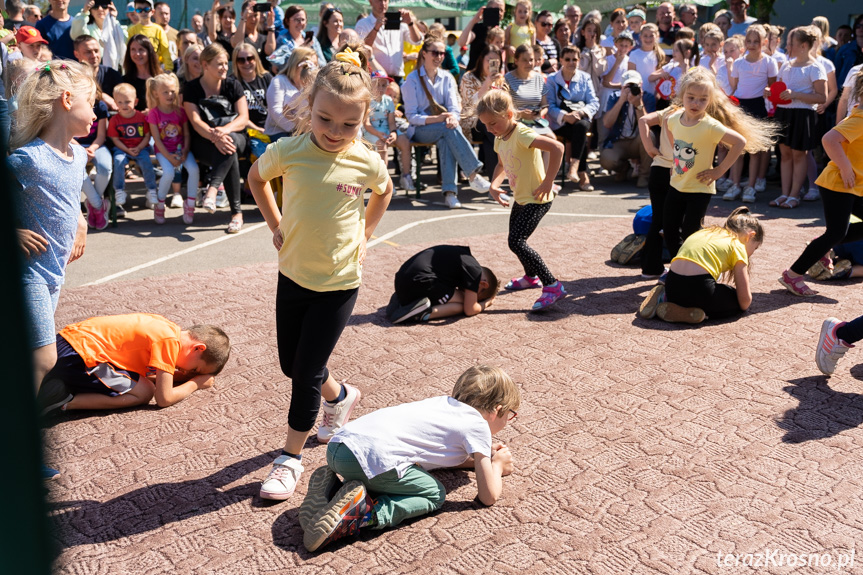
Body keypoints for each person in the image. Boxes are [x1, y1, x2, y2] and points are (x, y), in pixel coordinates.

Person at [246, 51, 393, 501]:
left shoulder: (366, 161)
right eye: (325, 119)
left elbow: (383, 191)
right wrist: (275, 224)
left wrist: (366, 231)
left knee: (304, 372)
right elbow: (256, 178)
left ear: (365, 119)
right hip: (292, 275)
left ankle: (289, 459)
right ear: (308, 106)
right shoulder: (288, 151)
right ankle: (340, 396)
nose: (334, 132)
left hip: (340, 281)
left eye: (348, 125)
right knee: (293, 365)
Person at [298, 365, 519, 551]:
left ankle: (332, 492)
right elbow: (487, 496)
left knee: (394, 473)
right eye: (510, 415)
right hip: (371, 457)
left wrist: (480, 457)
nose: (508, 421)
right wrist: (496, 467)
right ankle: (364, 514)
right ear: (496, 410)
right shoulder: (478, 424)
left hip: (340, 448)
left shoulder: (442, 405)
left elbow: (440, 458)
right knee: (433, 493)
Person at [10, 60, 93, 392]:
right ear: (68, 100)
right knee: (43, 357)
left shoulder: (79, 155)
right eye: (92, 103)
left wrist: (82, 223)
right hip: (27, 273)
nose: (96, 112)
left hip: (54, 272)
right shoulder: (29, 160)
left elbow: (72, 196)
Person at [662, 68, 774, 262]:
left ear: (710, 100)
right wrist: (674, 160)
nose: (696, 103)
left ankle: (691, 267)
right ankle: (676, 265)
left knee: (691, 232)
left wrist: (720, 170)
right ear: (682, 95)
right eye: (691, 97)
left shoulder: (710, 125)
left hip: (699, 189)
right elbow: (671, 133)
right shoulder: (672, 119)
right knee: (669, 228)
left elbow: (739, 142)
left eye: (702, 99)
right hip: (676, 185)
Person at [479, 89, 567, 311]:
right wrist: (494, 185)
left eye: (493, 123)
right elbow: (501, 164)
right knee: (515, 240)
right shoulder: (501, 137)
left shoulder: (522, 134)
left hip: (538, 198)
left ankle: (552, 285)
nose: (489, 130)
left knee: (516, 241)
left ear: (509, 114)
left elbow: (558, 147)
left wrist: (549, 181)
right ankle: (531, 277)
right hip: (522, 197)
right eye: (486, 126)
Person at [35, 314, 230, 413]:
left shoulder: (167, 327)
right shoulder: (169, 342)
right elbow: (164, 398)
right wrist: (195, 383)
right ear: (198, 348)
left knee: (140, 381)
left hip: (69, 346)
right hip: (82, 357)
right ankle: (62, 400)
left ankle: (55, 385)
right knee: (143, 391)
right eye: (194, 369)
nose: (185, 371)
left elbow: (153, 376)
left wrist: (187, 376)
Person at [778, 73, 863, 297]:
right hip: (839, 183)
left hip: (853, 185)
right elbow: (829, 139)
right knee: (835, 232)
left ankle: (823, 246)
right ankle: (793, 275)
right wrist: (845, 167)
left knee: (836, 234)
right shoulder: (861, 118)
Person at [403, 36, 491, 209]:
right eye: (435, 52)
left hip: (444, 128)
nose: (439, 56)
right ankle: (472, 174)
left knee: (447, 136)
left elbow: (454, 107)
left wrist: (452, 117)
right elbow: (412, 117)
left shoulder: (447, 77)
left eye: (442, 53)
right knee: (448, 129)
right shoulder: (411, 80)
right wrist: (440, 119)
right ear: (424, 54)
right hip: (420, 129)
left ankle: (450, 194)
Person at [639, 207, 763, 324]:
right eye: (755, 248)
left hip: (672, 284)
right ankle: (700, 313)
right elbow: (745, 301)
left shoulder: (706, 232)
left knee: (701, 292)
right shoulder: (738, 246)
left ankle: (665, 298)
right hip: (701, 289)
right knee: (736, 302)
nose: (752, 253)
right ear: (750, 235)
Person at [183, 43, 249, 233]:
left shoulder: (232, 84)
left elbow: (243, 118)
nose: (225, 67)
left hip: (235, 135)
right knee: (229, 151)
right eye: (219, 64)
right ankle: (237, 214)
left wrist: (224, 131)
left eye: (226, 63)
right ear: (205, 64)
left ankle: (212, 190)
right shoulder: (191, 88)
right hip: (204, 141)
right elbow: (195, 121)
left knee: (231, 144)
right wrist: (215, 136)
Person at [769, 27, 827, 209]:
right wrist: (770, 93)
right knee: (785, 155)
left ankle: (795, 195)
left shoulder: (816, 67)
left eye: (791, 44)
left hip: (803, 115)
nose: (787, 47)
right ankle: (785, 194)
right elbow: (781, 91)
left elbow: (821, 97)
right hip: (784, 113)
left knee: (798, 155)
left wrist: (796, 95)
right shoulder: (786, 65)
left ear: (803, 46)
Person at [723, 24, 777, 203]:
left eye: (756, 41)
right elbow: (737, 86)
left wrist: (769, 89)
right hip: (740, 106)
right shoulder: (738, 63)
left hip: (758, 106)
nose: (752, 44)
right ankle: (735, 184)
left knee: (754, 151)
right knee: (737, 148)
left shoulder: (769, 62)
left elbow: (772, 85)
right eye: (749, 41)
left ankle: (750, 187)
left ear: (765, 42)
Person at [385, 246, 498, 323]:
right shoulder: (475, 272)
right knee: (463, 305)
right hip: (421, 281)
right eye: (477, 297)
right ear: (483, 284)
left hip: (402, 280)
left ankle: (404, 301)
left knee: (460, 302)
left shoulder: (465, 258)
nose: (472, 297)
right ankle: (421, 313)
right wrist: (486, 303)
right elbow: (470, 310)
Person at [147, 73, 198, 224]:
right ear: (156, 93)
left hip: (181, 151)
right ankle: (160, 204)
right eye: (165, 92)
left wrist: (185, 152)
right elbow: (156, 139)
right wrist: (169, 158)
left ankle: (190, 204)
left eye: (172, 91)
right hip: (164, 152)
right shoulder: (154, 114)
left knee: (194, 169)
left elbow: (187, 134)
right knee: (168, 173)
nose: (170, 95)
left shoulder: (180, 111)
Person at [547, 45, 598, 188]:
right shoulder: (552, 79)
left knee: (581, 127)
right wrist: (564, 116)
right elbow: (549, 105)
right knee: (579, 132)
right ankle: (581, 172)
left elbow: (594, 102)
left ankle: (574, 167)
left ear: (579, 60)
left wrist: (580, 113)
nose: (571, 62)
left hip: (580, 119)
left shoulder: (585, 78)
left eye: (574, 59)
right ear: (561, 60)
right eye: (567, 59)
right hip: (560, 124)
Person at [637, 101, 677, 279]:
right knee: (675, 223)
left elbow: (643, 120)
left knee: (658, 220)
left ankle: (650, 267)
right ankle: (681, 270)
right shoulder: (689, 114)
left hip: (658, 168)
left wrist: (649, 147)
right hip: (675, 171)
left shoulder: (670, 111)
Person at [108, 82, 158, 214]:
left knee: (146, 162)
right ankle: (119, 190)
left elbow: (147, 135)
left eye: (127, 101)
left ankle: (151, 190)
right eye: (120, 102)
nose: (124, 105)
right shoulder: (114, 120)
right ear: (115, 103)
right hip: (122, 149)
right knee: (118, 161)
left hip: (141, 148)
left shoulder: (142, 117)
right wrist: (127, 150)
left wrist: (139, 147)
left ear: (135, 102)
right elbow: (115, 139)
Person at [459, 45, 505, 182]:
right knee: (491, 130)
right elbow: (469, 106)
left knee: (490, 140)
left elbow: (505, 103)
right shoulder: (469, 77)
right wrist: (486, 84)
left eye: (496, 62)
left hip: (491, 125)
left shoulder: (501, 80)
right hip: (471, 122)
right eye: (489, 60)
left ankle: (494, 183)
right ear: (481, 60)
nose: (492, 64)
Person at [75, 66, 113, 230]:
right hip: (74, 146)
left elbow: (101, 135)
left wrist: (92, 148)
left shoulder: (101, 106)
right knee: (78, 170)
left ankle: (92, 204)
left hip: (97, 145)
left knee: (105, 168)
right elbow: (67, 135)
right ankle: (98, 205)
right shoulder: (69, 104)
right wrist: (82, 150)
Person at [600, 70, 651, 188]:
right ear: (622, 86)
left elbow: (648, 125)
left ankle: (644, 175)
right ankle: (624, 169)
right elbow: (607, 123)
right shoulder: (614, 97)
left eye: (635, 86)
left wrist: (638, 103)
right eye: (628, 86)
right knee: (606, 159)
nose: (631, 89)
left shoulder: (648, 98)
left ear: (641, 85)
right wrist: (621, 100)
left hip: (638, 141)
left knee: (650, 136)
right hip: (619, 141)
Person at [364, 70, 413, 192]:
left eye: (383, 85)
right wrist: (379, 134)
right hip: (372, 131)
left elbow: (391, 122)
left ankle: (406, 176)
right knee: (382, 146)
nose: (380, 88)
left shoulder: (388, 101)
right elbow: (367, 124)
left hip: (386, 131)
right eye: (377, 85)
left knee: (405, 142)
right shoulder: (367, 101)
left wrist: (394, 133)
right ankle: (384, 181)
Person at [354, 0, 421, 83]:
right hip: (374, 78)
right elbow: (362, 49)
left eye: (385, 0)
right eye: (379, 0)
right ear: (371, 2)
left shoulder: (398, 21)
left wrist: (410, 23)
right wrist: (375, 29)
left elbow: (417, 41)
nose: (383, 4)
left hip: (397, 79)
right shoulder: (363, 24)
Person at [264, 45, 314, 139]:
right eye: (307, 65)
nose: (310, 68)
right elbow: (275, 111)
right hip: (280, 132)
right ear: (296, 64)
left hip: (306, 131)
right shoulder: (278, 81)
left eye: (314, 65)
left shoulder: (311, 85)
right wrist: (299, 128)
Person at [505, 44, 553, 139]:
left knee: (553, 142)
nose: (529, 63)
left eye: (531, 60)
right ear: (516, 61)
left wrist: (538, 114)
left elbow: (545, 106)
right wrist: (520, 114)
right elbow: (504, 108)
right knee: (534, 140)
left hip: (536, 123)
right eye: (524, 60)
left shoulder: (539, 78)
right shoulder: (508, 78)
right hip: (516, 123)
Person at [70, 0, 127, 70]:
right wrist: (84, 12)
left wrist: (113, 19)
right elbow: (76, 35)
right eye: (95, 6)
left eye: (104, 6)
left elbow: (123, 40)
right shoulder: (86, 28)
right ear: (90, 10)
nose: (100, 9)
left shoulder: (117, 27)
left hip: (116, 70)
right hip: (92, 70)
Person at [231, 42, 271, 133]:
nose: (246, 63)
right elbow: (236, 115)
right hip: (245, 131)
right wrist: (258, 129)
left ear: (256, 59)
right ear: (235, 62)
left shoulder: (266, 77)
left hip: (269, 128)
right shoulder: (232, 82)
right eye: (241, 60)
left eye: (250, 58)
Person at [458, 0, 505, 73]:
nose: (498, 13)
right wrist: (473, 21)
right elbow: (461, 43)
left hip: (492, 76)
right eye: (495, 9)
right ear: (487, 10)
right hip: (474, 75)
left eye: (501, 10)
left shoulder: (502, 32)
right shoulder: (477, 28)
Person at [628, 23, 663, 114]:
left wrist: (657, 94)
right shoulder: (634, 54)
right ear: (640, 37)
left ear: (657, 36)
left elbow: (660, 77)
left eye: (651, 36)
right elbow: (631, 75)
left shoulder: (660, 55)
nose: (648, 39)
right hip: (638, 96)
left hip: (654, 96)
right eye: (645, 36)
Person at [128, 0, 172, 71]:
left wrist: (168, 69)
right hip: (137, 69)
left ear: (152, 12)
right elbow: (129, 51)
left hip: (155, 68)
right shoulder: (132, 30)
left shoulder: (158, 29)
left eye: (146, 9)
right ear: (136, 12)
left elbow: (165, 52)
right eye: (139, 10)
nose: (143, 12)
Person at [122, 34, 160, 110]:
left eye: (141, 49)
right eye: (133, 50)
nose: (137, 54)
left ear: (149, 52)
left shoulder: (160, 79)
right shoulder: (124, 81)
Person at [577, 16, 605, 96]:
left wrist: (593, 50)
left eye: (595, 31)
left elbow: (599, 70)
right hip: (580, 89)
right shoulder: (577, 50)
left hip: (596, 90)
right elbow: (581, 68)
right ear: (583, 32)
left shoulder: (601, 50)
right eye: (589, 31)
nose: (592, 34)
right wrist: (586, 54)